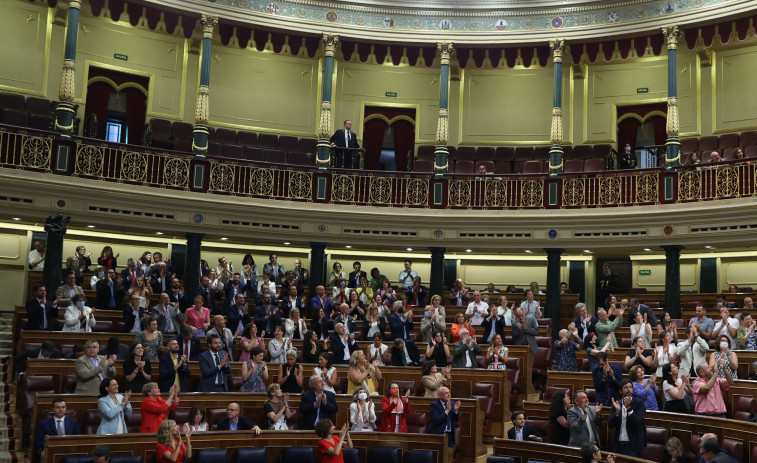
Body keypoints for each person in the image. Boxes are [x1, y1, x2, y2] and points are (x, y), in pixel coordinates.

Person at [609, 380, 646, 457]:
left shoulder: (639, 403)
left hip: (633, 446)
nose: (629, 389)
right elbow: (611, 425)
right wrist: (617, 412)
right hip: (618, 446)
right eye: (626, 387)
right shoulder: (616, 404)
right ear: (620, 391)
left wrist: (629, 408)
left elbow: (638, 423)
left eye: (630, 387)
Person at [428, 386, 459, 461]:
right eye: (446, 393)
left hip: (449, 436)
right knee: (438, 458)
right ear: (439, 396)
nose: (449, 395)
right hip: (438, 435)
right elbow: (437, 420)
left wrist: (455, 411)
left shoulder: (452, 403)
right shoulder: (434, 405)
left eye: (449, 392)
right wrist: (447, 411)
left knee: (448, 457)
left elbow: (456, 419)